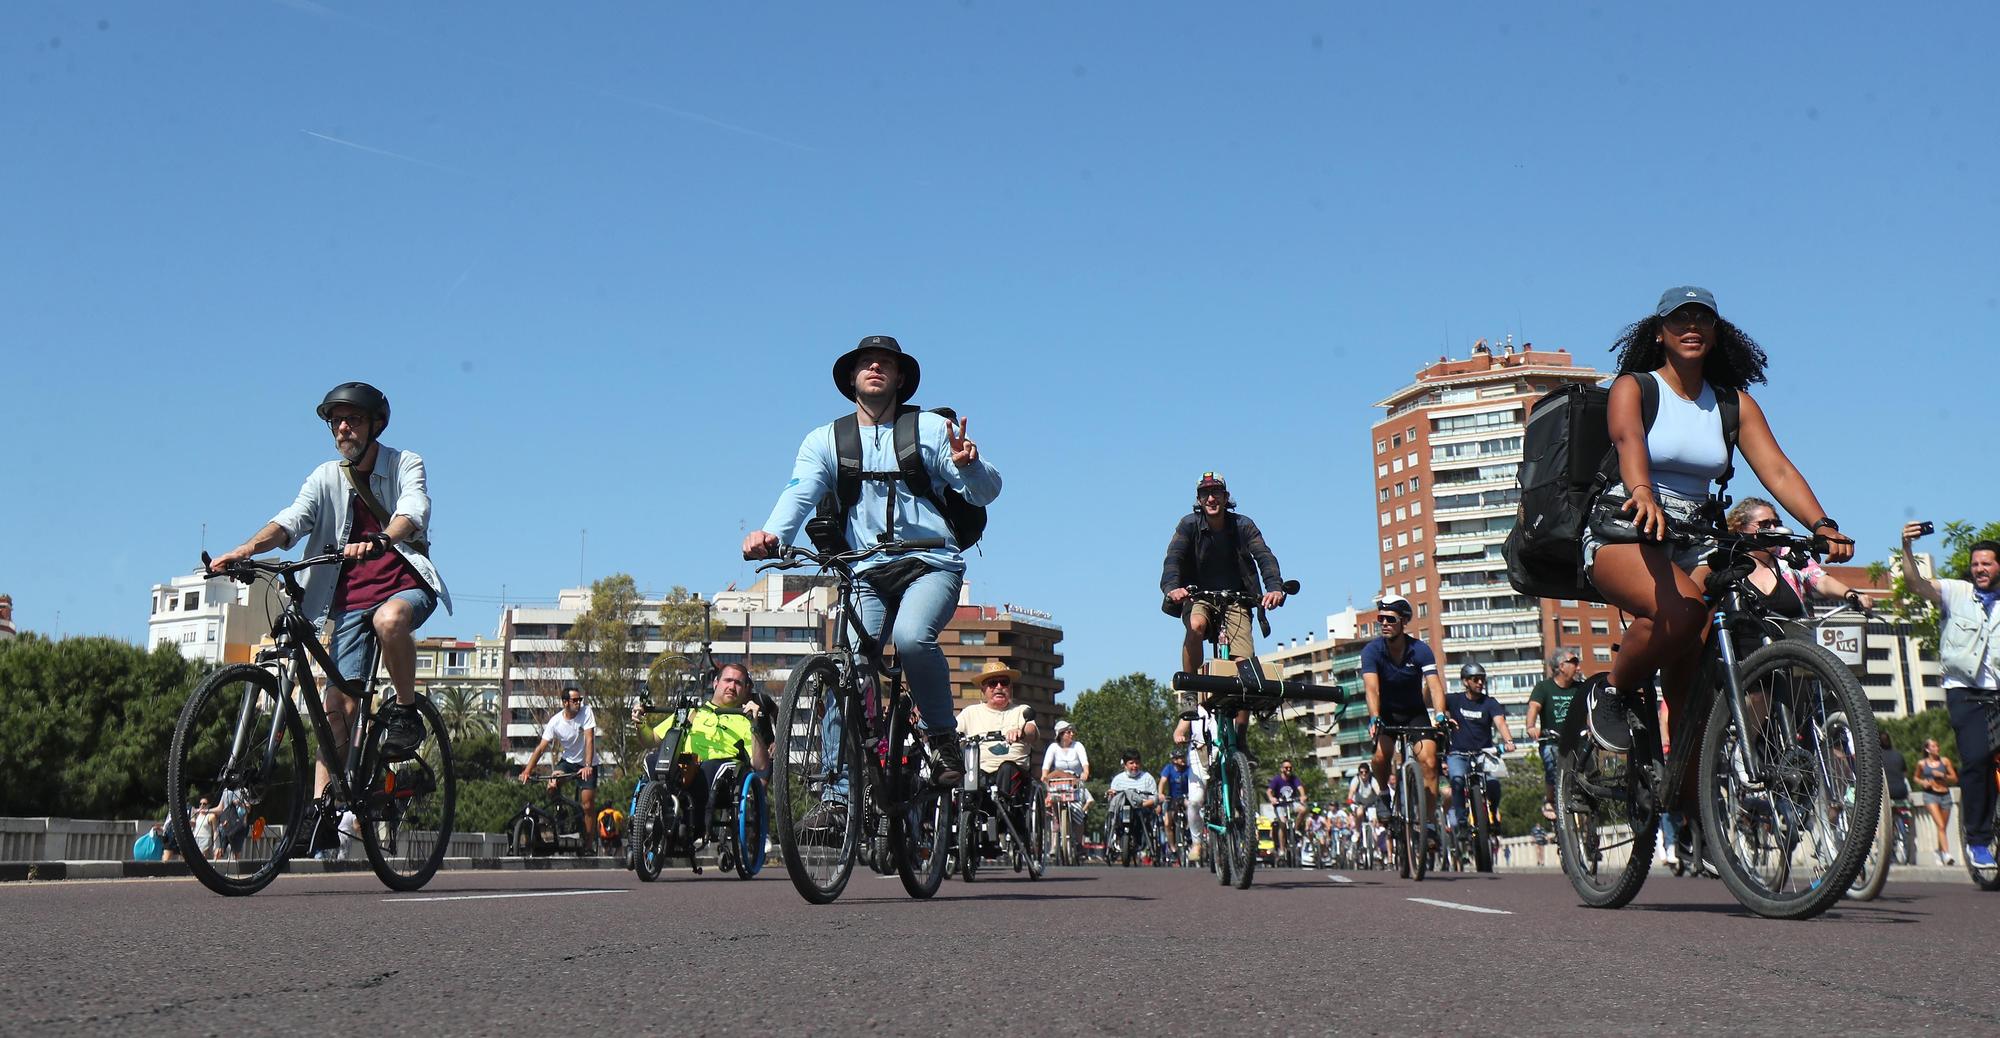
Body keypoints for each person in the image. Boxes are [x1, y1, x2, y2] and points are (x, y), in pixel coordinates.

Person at [742, 335, 1003, 830]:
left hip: (931, 563)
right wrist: (771, 535)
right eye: (866, 362)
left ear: (901, 378)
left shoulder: (929, 429)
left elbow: (987, 491)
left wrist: (970, 464)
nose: (876, 367)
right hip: (864, 570)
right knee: (849, 668)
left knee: (909, 638)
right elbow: (798, 493)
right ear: (851, 379)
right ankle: (839, 796)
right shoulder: (825, 441)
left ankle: (942, 737)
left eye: (886, 362)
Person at [1581, 287, 1854, 756]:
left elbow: (1779, 470)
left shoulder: (1733, 404)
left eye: (1702, 320)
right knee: (1684, 611)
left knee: (1694, 670)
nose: (1692, 328)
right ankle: (1611, 689)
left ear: (1716, 333)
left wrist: (1822, 523)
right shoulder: (1637, 387)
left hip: (1695, 536)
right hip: (1623, 528)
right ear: (1660, 332)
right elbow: (1629, 444)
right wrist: (1644, 494)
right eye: (1680, 319)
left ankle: (1692, 814)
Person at [206, 382, 451, 852]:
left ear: (374, 424)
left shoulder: (405, 463)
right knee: (337, 709)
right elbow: (292, 521)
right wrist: (246, 548)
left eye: (353, 419)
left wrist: (383, 538)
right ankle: (322, 814)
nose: (343, 427)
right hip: (347, 603)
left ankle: (404, 711)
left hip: (403, 585)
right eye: (336, 421)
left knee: (390, 620)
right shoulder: (324, 477)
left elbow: (414, 511)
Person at [1899, 522, 2000, 872]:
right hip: (1965, 691)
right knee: (1976, 760)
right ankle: (1979, 841)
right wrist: (1907, 549)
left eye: (1987, 563)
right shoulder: (1957, 592)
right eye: (1976, 564)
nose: (1980, 569)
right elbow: (1916, 585)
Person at [1161, 471, 1288, 676]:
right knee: (1196, 625)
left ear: (1226, 497)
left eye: (1216, 492)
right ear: (1199, 500)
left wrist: (1274, 588)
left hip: (1236, 598)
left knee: (1245, 666)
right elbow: (1173, 559)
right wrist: (1172, 588)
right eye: (1205, 494)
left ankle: (1243, 703)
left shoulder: (1243, 525)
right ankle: (1191, 692)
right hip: (1198, 596)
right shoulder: (1188, 525)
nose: (1211, 498)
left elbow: (1264, 556)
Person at [630, 663, 774, 838]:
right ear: (716, 683)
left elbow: (760, 764)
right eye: (728, 680)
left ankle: (696, 826)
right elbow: (651, 739)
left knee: (710, 767)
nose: (731, 686)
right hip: (683, 767)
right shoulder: (691, 712)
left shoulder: (745, 721)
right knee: (653, 760)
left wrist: (754, 726)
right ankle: (651, 824)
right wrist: (640, 724)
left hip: (721, 775)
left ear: (745, 689)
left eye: (738, 683)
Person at [1360, 594, 1449, 812]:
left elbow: (1435, 686)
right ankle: (1382, 794)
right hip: (1386, 713)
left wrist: (1439, 715)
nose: (1384, 624)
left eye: (1390, 619)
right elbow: (1372, 688)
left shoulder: (1420, 650)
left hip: (1414, 713)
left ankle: (1428, 824)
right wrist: (1374, 717)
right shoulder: (1372, 651)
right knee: (1381, 756)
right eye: (1381, 619)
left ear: (1404, 621)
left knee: (1429, 762)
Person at [1722, 497, 1874, 619]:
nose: (1773, 529)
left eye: (1777, 523)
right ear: (1740, 527)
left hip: (1795, 651)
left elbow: (1821, 580)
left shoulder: (1790, 556)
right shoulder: (1728, 562)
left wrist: (1851, 595)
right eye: (1765, 524)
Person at [956, 660, 1038, 831]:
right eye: (993, 683)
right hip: (978, 772)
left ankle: (1003, 819)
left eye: (1004, 682)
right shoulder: (970, 713)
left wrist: (1021, 732)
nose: (999, 686)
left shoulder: (1021, 711)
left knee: (1007, 768)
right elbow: (952, 732)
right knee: (963, 775)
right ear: (983, 689)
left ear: (1010, 687)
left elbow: (1032, 731)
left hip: (1013, 775)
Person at [519, 687, 601, 848]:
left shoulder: (586, 712)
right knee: (552, 784)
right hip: (568, 762)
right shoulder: (555, 722)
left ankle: (589, 844)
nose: (578, 703)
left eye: (579, 700)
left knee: (588, 804)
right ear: (565, 703)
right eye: (575, 700)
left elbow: (589, 740)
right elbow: (541, 748)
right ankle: (560, 813)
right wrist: (527, 771)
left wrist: (587, 765)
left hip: (588, 763)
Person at [1443, 662, 1515, 831]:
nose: (1480, 683)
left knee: (1493, 785)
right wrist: (1427, 683)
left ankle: (1493, 812)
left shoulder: (1489, 703)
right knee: (1457, 781)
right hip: (1458, 754)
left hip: (1484, 754)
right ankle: (1461, 821)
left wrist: (1509, 741)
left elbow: (1500, 722)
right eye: (1476, 679)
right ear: (1465, 682)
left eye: (1482, 679)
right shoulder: (1454, 700)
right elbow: (1430, 701)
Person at [1524, 648, 1582, 819]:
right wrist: (1531, 726)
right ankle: (1550, 800)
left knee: (1590, 765)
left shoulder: (1580, 688)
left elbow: (1590, 710)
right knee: (1551, 762)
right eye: (1574, 662)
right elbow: (1534, 707)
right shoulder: (1544, 687)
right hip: (1552, 740)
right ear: (1562, 666)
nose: (1578, 668)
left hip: (1577, 741)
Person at [1108, 750, 1161, 865]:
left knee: (1142, 816)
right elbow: (1112, 799)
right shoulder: (1118, 779)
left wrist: (1143, 803)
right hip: (1123, 810)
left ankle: (1144, 844)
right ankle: (1115, 841)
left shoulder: (1147, 778)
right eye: (1131, 763)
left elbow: (1155, 798)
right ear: (1125, 764)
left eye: (1137, 763)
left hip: (1142, 808)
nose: (1134, 766)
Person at [1913, 737, 1960, 866]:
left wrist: (1943, 775)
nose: (1937, 748)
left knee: (1942, 827)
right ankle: (1947, 854)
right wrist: (1923, 782)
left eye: (1937, 746)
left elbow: (1955, 778)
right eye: (1933, 746)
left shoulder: (1945, 761)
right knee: (1940, 825)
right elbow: (1915, 778)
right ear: (1927, 749)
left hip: (1945, 794)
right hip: (1930, 795)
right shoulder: (1922, 764)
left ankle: (1939, 851)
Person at [1266, 759, 1307, 860]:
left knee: (1303, 810)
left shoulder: (1294, 778)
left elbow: (1300, 788)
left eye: (1290, 767)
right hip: (1280, 805)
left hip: (1292, 803)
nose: (1288, 769)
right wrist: (1272, 798)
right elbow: (1269, 791)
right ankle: (1282, 848)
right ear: (1281, 769)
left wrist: (1302, 796)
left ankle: (1296, 829)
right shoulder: (1277, 779)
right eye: (1286, 767)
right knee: (1282, 823)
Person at [1158, 748, 1193, 861]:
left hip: (1186, 797)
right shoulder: (1168, 769)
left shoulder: (1188, 769)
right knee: (1167, 822)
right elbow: (1162, 781)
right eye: (1179, 758)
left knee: (1193, 813)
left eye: (1183, 757)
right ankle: (1173, 849)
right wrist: (1160, 794)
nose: (1182, 759)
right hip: (1172, 798)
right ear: (1174, 760)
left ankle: (1190, 834)